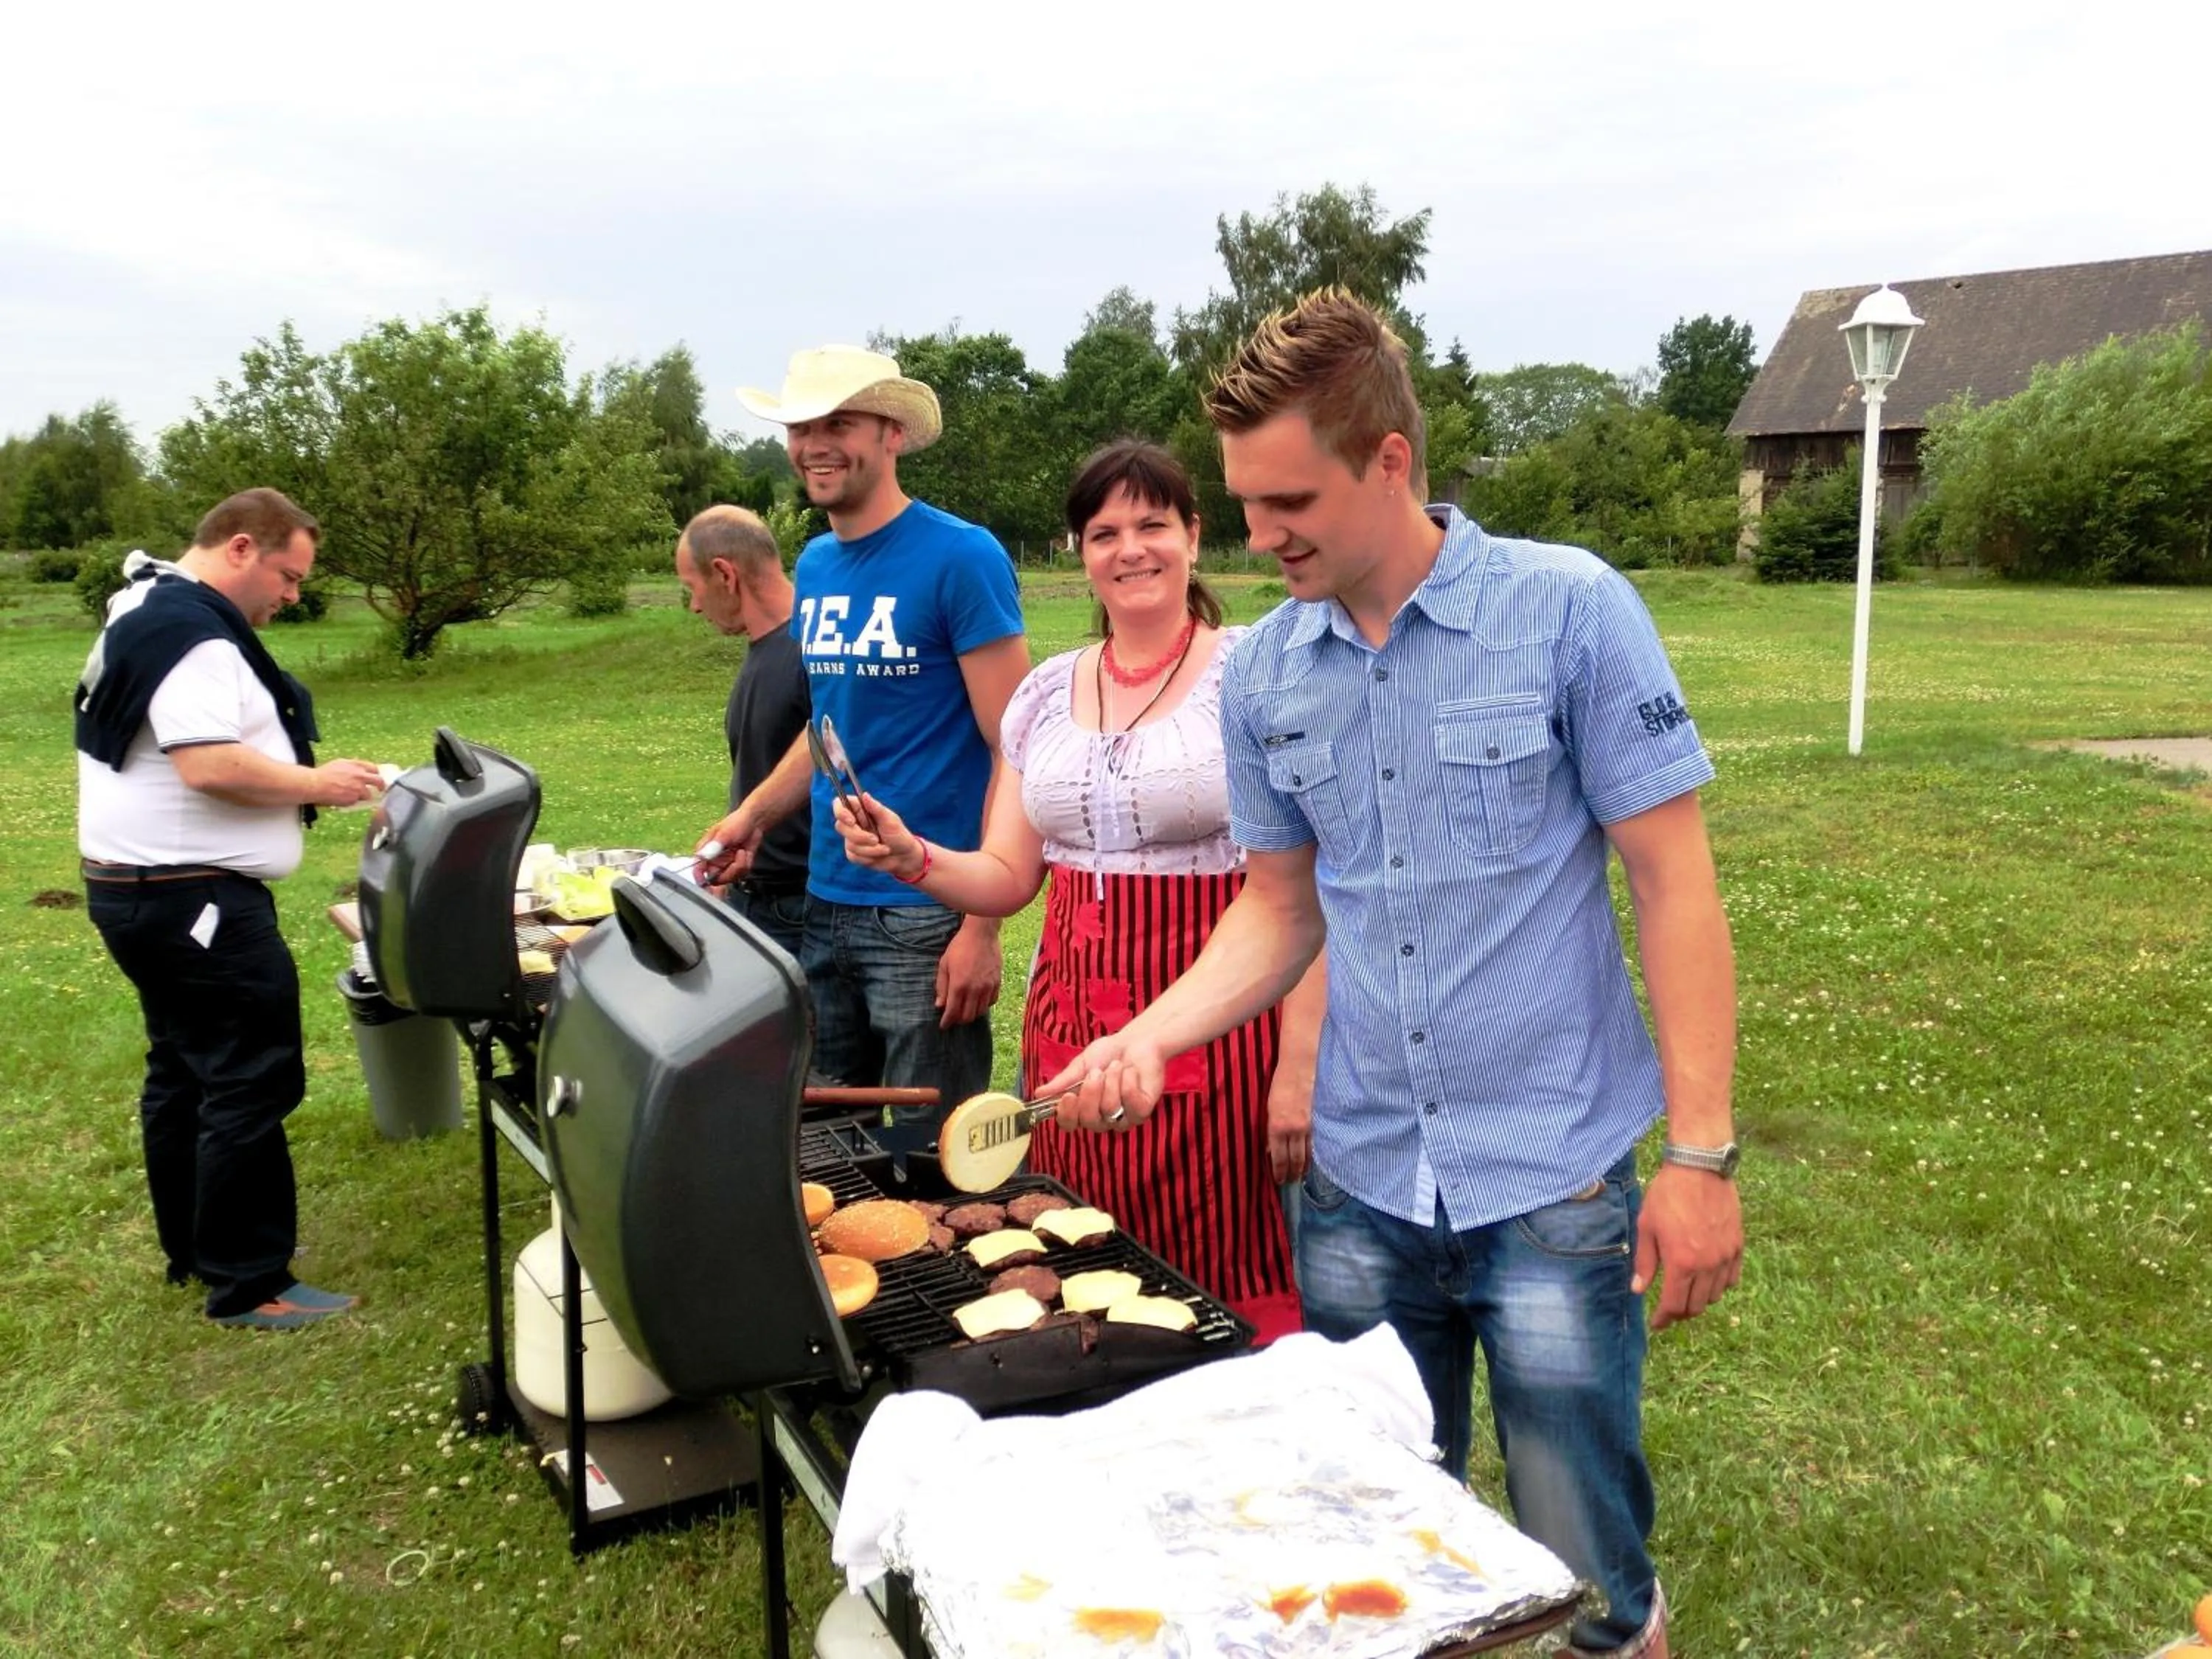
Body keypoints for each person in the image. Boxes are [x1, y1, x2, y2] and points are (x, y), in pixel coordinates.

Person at [1036, 291, 1742, 1659]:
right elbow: (1277, 911)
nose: (1261, 536)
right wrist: (1153, 1036)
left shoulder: (1569, 611)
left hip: (1547, 1176)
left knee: (1584, 1560)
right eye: (1245, 504)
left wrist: (1701, 1158)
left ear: (1392, 463)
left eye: (1291, 498)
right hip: (1357, 1189)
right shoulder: (1265, 677)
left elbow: (1676, 884)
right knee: (1379, 1546)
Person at [834, 440, 1321, 1341]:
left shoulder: (1256, 676)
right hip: (1068, 1033)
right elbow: (1009, 874)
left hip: (1216, 1034)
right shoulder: (1046, 695)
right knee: (1078, 1266)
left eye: (1152, 525)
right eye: (1105, 532)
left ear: (1194, 535)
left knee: (1214, 1291)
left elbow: (1302, 892)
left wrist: (1299, 1062)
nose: (1131, 549)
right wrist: (913, 858)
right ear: (1078, 550)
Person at [697, 347, 1029, 1150]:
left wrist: (981, 926)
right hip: (825, 899)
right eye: (802, 425)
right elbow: (831, 730)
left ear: (891, 435)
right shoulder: (816, 565)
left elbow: (1018, 746)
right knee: (827, 1145)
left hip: (926, 915)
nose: (816, 442)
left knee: (932, 1151)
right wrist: (750, 816)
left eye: (839, 422)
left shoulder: (961, 557)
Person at [75, 488, 387, 1331]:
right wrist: (320, 784)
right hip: (191, 899)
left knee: (183, 1070)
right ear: (242, 548)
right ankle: (250, 1283)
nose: (292, 596)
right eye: (288, 577)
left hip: (139, 891)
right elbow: (210, 765)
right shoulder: (196, 639)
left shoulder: (146, 602)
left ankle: (195, 1249)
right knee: (250, 1073)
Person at [675, 504, 811, 959]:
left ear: (724, 574)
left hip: (800, 910)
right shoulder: (764, 650)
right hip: (754, 891)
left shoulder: (812, 650)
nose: (694, 605)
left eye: (692, 588)